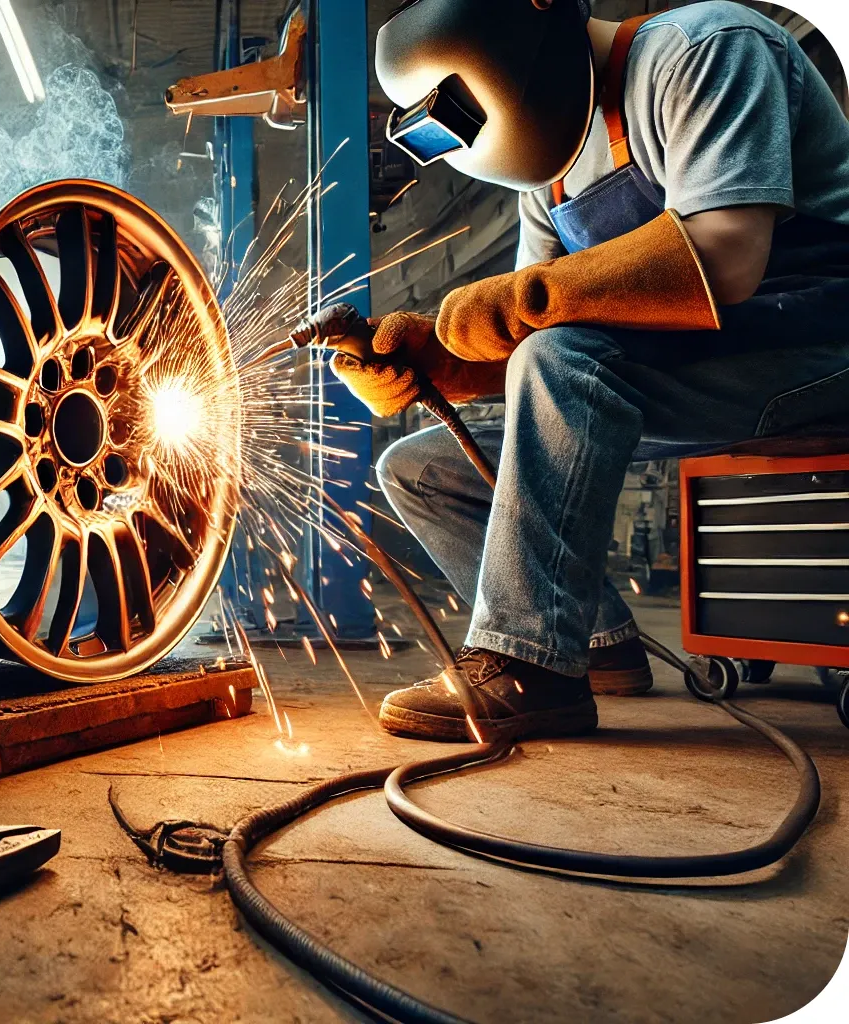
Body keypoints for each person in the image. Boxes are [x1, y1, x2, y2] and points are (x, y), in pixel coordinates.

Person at [326, 0, 849, 741]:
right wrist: (440, 363)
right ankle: (596, 644)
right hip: (693, 370)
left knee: (560, 353)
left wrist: (526, 299)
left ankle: (528, 665)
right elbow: (520, 341)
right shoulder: (554, 169)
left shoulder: (706, 51)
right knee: (422, 470)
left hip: (819, 344)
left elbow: (728, 253)